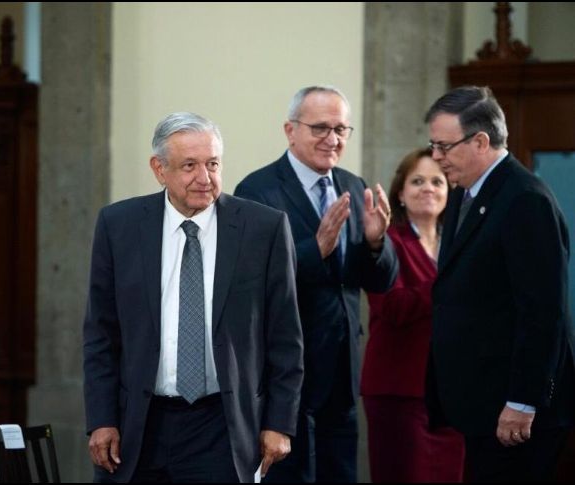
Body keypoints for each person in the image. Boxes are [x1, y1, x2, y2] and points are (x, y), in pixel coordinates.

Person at [83, 112, 304, 482]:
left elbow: (286, 337)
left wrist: (280, 422)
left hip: (223, 424)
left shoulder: (263, 228)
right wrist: (102, 419)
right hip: (139, 422)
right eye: (189, 166)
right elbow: (100, 334)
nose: (205, 178)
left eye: (213, 164)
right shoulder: (118, 226)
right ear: (159, 169)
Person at [234, 85, 398, 483]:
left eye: (342, 129)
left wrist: (377, 242)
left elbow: (380, 281)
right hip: (288, 373)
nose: (333, 139)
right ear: (290, 130)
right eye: (321, 128)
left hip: (342, 370)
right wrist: (314, 249)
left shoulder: (352, 184)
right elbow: (248, 286)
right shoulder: (257, 191)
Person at [424, 85, 575, 482]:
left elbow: (543, 312)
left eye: (443, 146)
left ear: (480, 141)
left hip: (515, 410)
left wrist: (523, 401)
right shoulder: (465, 193)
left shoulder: (525, 199)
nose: (436, 157)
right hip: (480, 402)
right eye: (432, 146)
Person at [360, 148, 464, 482]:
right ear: (401, 194)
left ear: (450, 191)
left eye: (437, 181)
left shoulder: (458, 244)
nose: (428, 188)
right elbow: (392, 307)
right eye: (417, 181)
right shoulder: (385, 241)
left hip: (451, 393)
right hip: (400, 392)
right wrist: (447, 283)